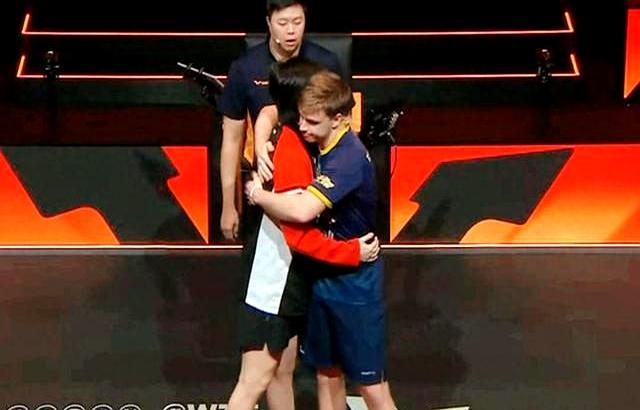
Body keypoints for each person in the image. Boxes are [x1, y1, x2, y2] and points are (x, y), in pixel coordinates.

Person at [227, 58, 379, 410]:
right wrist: (350, 253)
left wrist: (261, 142)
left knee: (282, 372)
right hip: (274, 281)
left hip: (290, 276)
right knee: (254, 380)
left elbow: (267, 113)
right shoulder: (293, 147)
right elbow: (298, 227)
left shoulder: (294, 134)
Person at [218, 0, 343, 241]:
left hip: (318, 182)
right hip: (265, 182)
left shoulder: (326, 63)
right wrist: (228, 205)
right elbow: (232, 139)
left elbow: (344, 123)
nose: (291, 31)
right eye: (283, 23)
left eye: (298, 22)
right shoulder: (244, 68)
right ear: (269, 23)